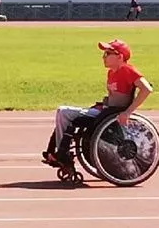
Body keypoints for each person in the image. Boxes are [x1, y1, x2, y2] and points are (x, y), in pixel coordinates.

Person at [42, 39, 152, 172]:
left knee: (63, 112)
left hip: (110, 115)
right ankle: (57, 152)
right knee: (64, 114)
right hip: (105, 111)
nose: (103, 57)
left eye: (107, 54)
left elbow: (146, 89)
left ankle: (61, 154)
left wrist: (128, 112)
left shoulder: (128, 70)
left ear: (119, 57)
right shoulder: (112, 72)